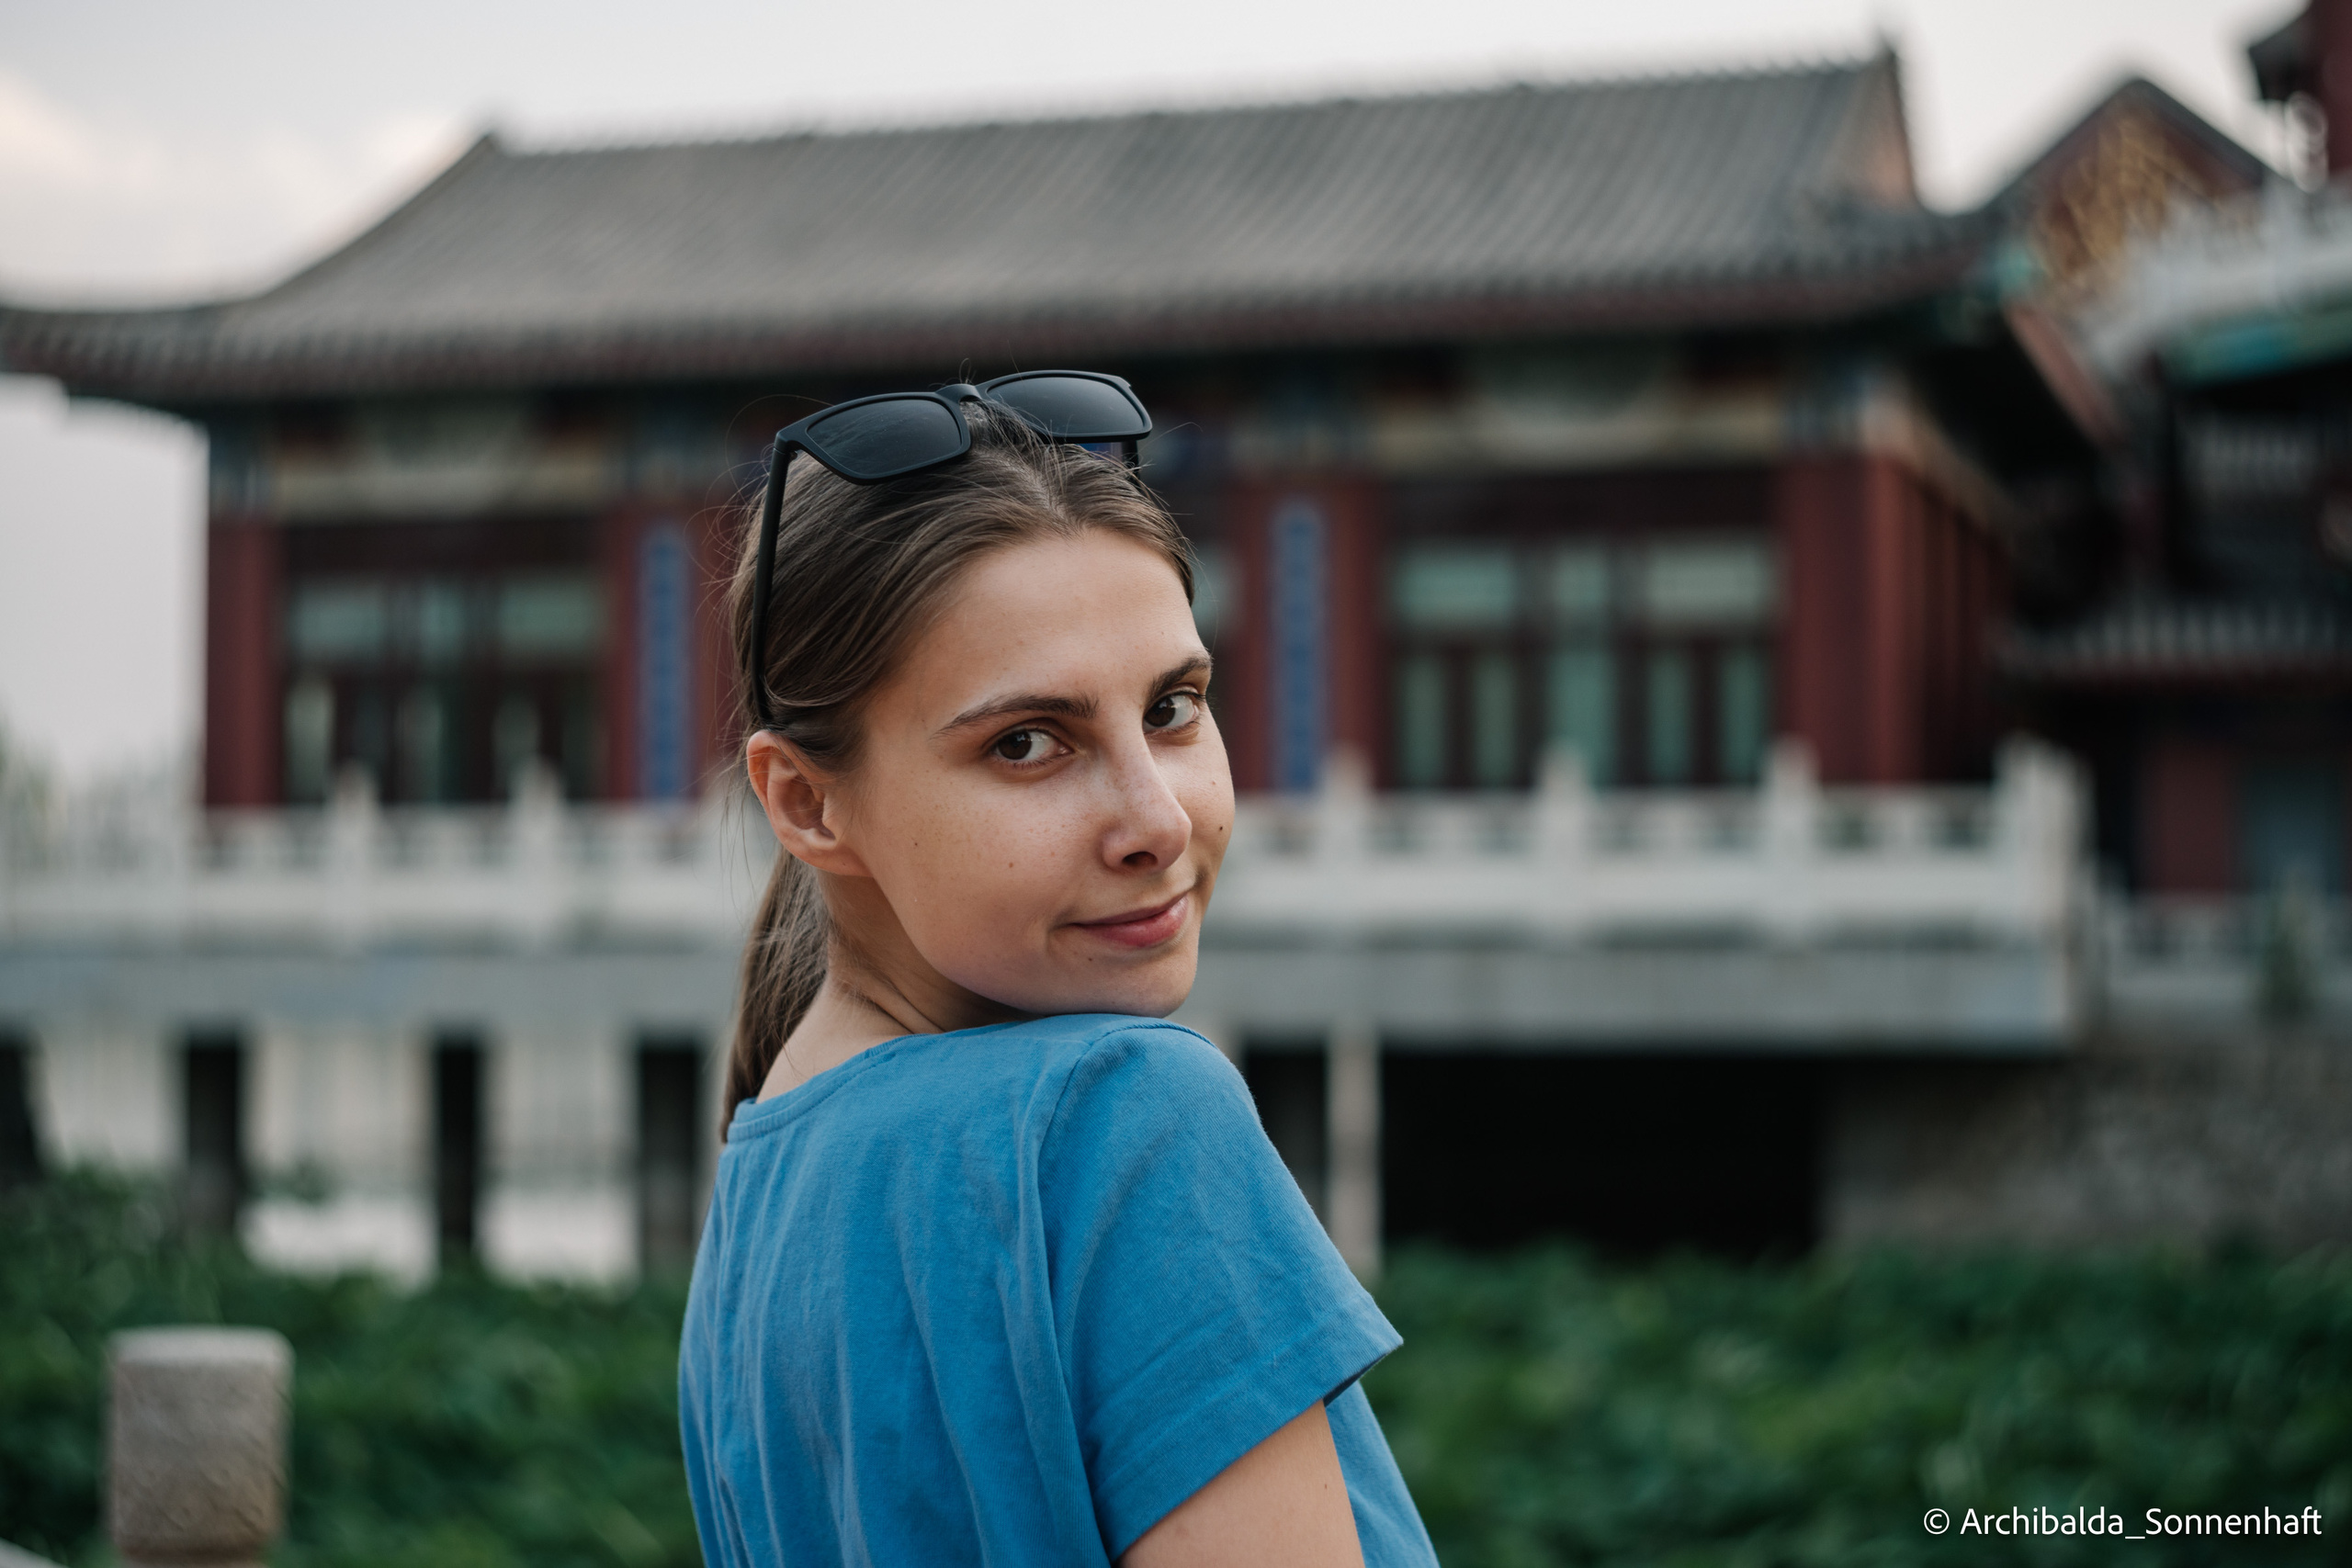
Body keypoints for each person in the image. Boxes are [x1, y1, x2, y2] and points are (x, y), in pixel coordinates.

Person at [677, 374, 1437, 1568]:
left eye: (1175, 708)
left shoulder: (760, 1199)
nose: (1158, 821)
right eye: (1028, 743)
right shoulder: (1122, 1119)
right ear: (808, 802)